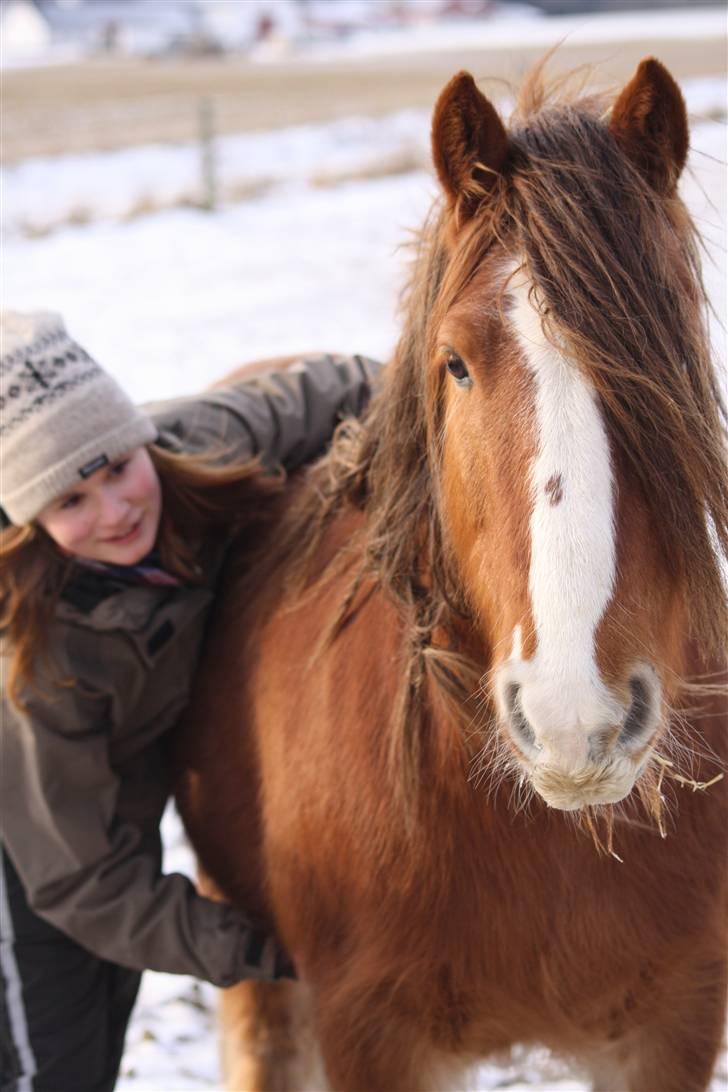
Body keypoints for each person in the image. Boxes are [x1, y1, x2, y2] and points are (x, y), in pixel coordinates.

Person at [0, 311, 381, 1092]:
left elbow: (337, 383)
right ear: (28, 520)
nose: (115, 510)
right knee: (51, 1066)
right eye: (70, 500)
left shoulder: (199, 444)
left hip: (110, 826)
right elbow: (83, 885)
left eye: (116, 466)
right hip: (29, 859)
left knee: (99, 1034)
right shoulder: (36, 660)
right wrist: (273, 949)